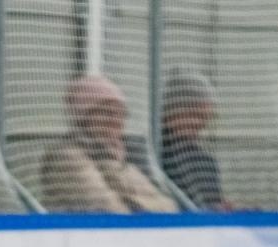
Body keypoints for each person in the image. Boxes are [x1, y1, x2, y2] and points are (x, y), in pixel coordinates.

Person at [40, 75, 177, 214]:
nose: (116, 120)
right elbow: (107, 210)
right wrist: (138, 205)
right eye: (107, 112)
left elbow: (170, 207)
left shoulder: (118, 158)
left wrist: (131, 202)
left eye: (121, 113)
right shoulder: (66, 158)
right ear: (84, 117)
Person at [159, 68, 229, 211]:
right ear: (172, 109)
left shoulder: (206, 163)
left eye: (205, 118)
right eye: (195, 115)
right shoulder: (156, 155)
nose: (201, 125)